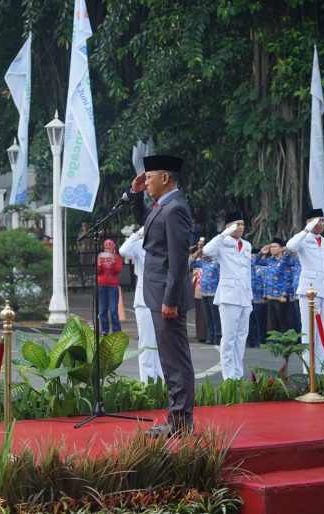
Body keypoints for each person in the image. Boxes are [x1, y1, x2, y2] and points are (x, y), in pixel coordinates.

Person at [128, 154, 194, 437]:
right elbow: (145, 222)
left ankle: (180, 424)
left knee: (175, 360)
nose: (147, 182)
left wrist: (170, 300)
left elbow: (178, 261)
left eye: (150, 177)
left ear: (165, 178)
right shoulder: (162, 206)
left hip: (167, 297)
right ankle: (176, 420)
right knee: (169, 359)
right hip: (156, 292)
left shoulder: (176, 208)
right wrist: (135, 194)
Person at [200, 212, 252, 380]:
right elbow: (206, 250)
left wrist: (250, 296)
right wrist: (223, 234)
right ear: (229, 226)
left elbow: (248, 272)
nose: (241, 227)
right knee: (229, 338)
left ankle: (238, 375)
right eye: (237, 224)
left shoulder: (247, 245)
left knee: (241, 338)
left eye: (243, 224)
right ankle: (229, 377)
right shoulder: (222, 243)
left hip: (244, 295)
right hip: (228, 296)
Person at [286, 208, 324, 371]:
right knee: (309, 334)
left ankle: (321, 373)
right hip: (309, 291)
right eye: (317, 220)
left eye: (322, 220)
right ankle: (309, 374)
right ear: (309, 222)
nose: (321, 223)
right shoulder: (303, 239)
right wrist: (307, 229)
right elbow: (290, 246)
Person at [119, 226, 164, 382]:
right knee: (146, 342)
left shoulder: (164, 244)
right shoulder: (139, 244)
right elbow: (123, 251)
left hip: (161, 297)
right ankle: (147, 382)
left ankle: (160, 381)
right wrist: (138, 234)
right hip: (144, 298)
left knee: (160, 343)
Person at [261, 238, 290, 332]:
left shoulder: (285, 260)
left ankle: (285, 344)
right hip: (270, 296)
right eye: (271, 247)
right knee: (273, 321)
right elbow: (256, 262)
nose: (272, 249)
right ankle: (275, 344)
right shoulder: (269, 260)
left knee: (282, 321)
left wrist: (284, 294)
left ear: (281, 248)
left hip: (280, 297)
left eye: (274, 246)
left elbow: (287, 278)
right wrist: (261, 253)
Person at [97, 239, 123, 335]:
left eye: (109, 248)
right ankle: (105, 330)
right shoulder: (100, 256)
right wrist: (99, 264)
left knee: (113, 310)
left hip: (113, 286)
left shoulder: (117, 257)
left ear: (113, 248)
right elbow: (98, 272)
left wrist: (113, 262)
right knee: (103, 310)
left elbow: (117, 271)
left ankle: (117, 331)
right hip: (102, 285)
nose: (107, 250)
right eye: (106, 248)